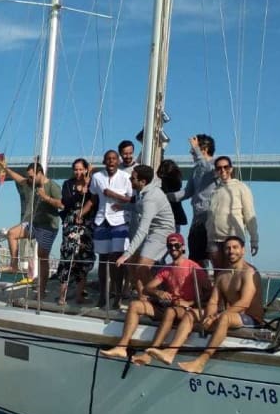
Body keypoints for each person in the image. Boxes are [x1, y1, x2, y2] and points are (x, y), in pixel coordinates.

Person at [99, 232, 210, 362]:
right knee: (135, 305)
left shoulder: (194, 268)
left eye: (176, 246)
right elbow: (147, 289)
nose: (173, 249)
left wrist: (190, 302)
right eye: (170, 246)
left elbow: (210, 292)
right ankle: (122, 347)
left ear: (183, 247)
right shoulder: (166, 269)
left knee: (170, 311)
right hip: (169, 306)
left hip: (183, 309)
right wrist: (159, 293)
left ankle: (149, 354)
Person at [170, 235, 264, 373]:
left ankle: (201, 362)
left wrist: (217, 317)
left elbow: (244, 303)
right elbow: (213, 301)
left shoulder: (249, 272)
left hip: (251, 318)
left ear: (243, 250)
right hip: (232, 315)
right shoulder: (222, 275)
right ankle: (171, 352)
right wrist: (209, 316)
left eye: (235, 247)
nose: (231, 251)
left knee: (224, 318)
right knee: (192, 314)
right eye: (228, 248)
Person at [1, 161, 63, 299]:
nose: (29, 179)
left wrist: (45, 197)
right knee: (11, 233)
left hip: (49, 226)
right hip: (34, 224)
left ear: (40, 173)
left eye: (31, 176)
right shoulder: (31, 183)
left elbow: (62, 204)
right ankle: (14, 265)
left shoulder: (53, 186)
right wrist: (6, 169)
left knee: (42, 257)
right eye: (29, 177)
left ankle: (42, 291)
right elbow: (20, 179)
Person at [115, 164, 175, 296]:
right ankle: (143, 299)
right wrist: (123, 207)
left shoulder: (150, 198)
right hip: (152, 232)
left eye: (133, 178)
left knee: (141, 267)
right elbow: (138, 207)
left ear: (143, 182)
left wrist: (126, 254)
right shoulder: (144, 193)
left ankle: (159, 297)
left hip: (162, 232)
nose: (130, 179)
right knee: (132, 264)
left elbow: (142, 229)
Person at [89, 149, 133, 308]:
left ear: (118, 161)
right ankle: (102, 294)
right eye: (108, 159)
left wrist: (115, 196)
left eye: (114, 159)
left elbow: (131, 199)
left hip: (120, 221)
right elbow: (93, 197)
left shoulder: (126, 177)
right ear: (104, 161)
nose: (111, 161)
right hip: (101, 221)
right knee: (103, 259)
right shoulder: (96, 177)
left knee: (117, 260)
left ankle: (118, 296)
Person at [164, 134, 216, 265]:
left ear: (204, 149)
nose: (190, 151)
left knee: (214, 258)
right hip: (197, 218)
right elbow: (186, 193)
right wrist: (164, 196)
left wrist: (196, 148)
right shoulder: (196, 170)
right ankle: (198, 284)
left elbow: (206, 168)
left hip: (211, 218)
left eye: (193, 149)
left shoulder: (216, 165)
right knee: (195, 257)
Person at [55, 158, 96, 305]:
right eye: (76, 169)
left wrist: (88, 184)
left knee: (84, 259)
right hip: (71, 224)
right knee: (67, 257)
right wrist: (80, 192)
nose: (78, 172)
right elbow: (67, 202)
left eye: (81, 169)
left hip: (87, 225)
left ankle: (79, 295)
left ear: (86, 169)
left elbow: (94, 201)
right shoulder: (68, 184)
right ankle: (62, 297)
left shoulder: (92, 184)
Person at [206, 155, 259, 268]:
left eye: (226, 167)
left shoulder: (241, 188)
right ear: (216, 171)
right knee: (218, 274)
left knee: (233, 273)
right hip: (214, 240)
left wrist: (254, 240)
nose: (223, 170)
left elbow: (249, 214)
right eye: (219, 168)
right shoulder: (214, 191)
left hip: (233, 239)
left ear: (231, 169)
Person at [157, 158, 187, 233]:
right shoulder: (177, 182)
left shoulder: (163, 183)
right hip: (176, 216)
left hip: (164, 217)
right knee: (174, 239)